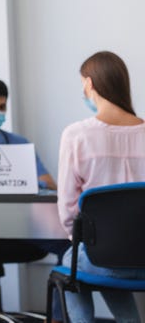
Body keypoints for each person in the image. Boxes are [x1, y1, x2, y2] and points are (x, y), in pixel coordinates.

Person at [0, 77, 65, 323]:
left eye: (1, 107)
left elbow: (50, 182)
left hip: (22, 230)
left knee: (68, 245)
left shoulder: (18, 144)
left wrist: (21, 179)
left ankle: (58, 318)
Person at [57, 51, 145, 323]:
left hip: (101, 259)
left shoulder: (77, 135)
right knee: (108, 257)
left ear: (89, 84)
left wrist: (92, 243)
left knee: (72, 262)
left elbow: (68, 211)